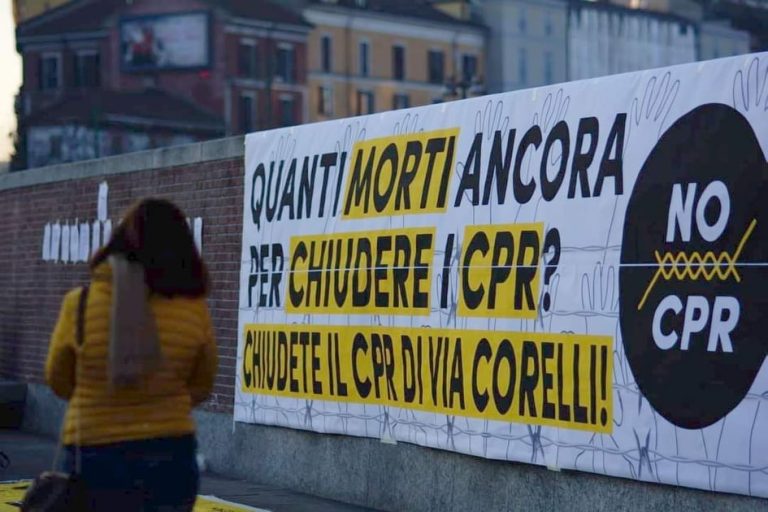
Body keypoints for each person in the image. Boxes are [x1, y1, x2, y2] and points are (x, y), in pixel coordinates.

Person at [45, 198, 218, 511]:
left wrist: (101, 395)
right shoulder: (194, 309)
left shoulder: (80, 303)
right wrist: (160, 399)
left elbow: (58, 379)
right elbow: (202, 384)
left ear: (119, 243)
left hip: (94, 451)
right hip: (170, 452)